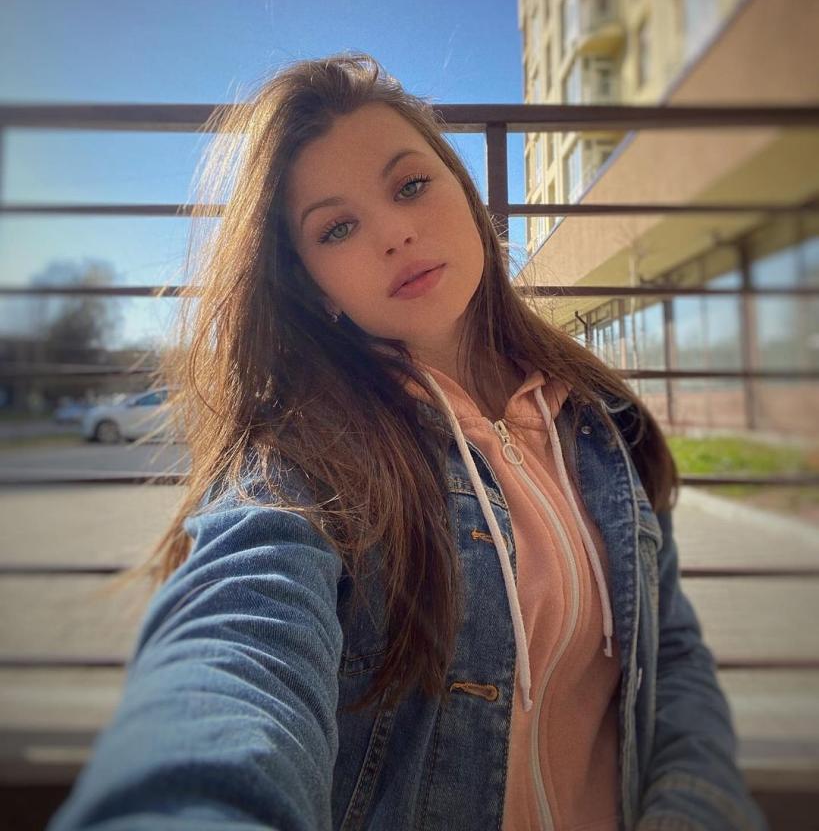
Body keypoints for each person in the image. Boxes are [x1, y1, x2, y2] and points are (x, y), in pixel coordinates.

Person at [49, 53, 767, 831]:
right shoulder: (299, 467)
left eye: (411, 185)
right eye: (337, 228)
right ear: (312, 285)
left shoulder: (599, 420)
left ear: (464, 191)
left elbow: (671, 656)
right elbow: (233, 658)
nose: (394, 232)